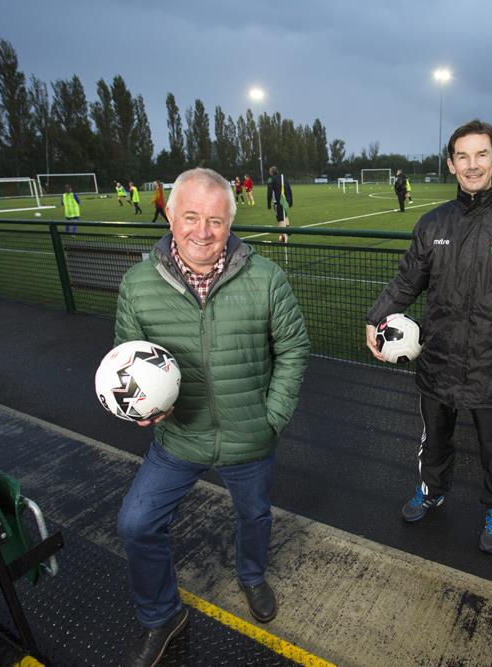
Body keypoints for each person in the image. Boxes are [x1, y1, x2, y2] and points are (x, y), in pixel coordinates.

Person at [114, 167, 309, 667]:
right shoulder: (138, 285)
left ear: (230, 223)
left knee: (254, 515)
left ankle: (250, 575)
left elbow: (293, 349)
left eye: (216, 221)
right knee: (136, 523)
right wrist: (139, 404)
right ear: (171, 216)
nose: (203, 231)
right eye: (192, 217)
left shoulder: (266, 278)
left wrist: (273, 417)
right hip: (179, 438)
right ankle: (162, 615)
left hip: (250, 434)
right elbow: (127, 356)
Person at [365, 119, 492, 554]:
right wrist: (375, 317)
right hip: (438, 360)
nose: (472, 165)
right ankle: (432, 489)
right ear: (451, 164)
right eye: (462, 156)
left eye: (481, 155)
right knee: (434, 438)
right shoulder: (433, 223)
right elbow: (406, 282)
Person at [266, 166, 293, 244]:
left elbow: (269, 192)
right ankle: (288, 229)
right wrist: (291, 201)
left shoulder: (271, 179)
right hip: (285, 201)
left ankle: (284, 237)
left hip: (277, 202)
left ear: (271, 172)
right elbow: (289, 189)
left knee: (280, 219)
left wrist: (268, 204)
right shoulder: (283, 177)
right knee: (284, 214)